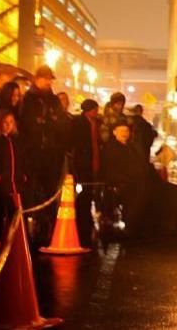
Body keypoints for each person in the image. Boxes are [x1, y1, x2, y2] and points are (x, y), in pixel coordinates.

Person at [18, 65, 70, 245]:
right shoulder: (29, 99)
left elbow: (61, 121)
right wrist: (45, 123)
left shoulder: (53, 100)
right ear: (37, 79)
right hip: (34, 152)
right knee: (34, 190)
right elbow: (28, 124)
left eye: (50, 79)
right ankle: (33, 226)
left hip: (51, 152)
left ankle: (47, 225)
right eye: (45, 78)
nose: (48, 82)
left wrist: (50, 122)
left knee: (49, 189)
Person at [70, 99, 103, 247]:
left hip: (94, 160)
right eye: (94, 109)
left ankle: (86, 217)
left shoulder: (97, 123)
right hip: (83, 161)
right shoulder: (78, 122)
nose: (96, 112)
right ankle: (81, 218)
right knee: (83, 191)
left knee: (90, 191)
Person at [0, 109, 25, 237]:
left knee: (14, 209)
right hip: (2, 181)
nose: (9, 125)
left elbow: (20, 158)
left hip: (15, 180)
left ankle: (14, 235)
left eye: (11, 122)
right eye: (5, 122)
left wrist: (23, 174)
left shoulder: (16, 140)